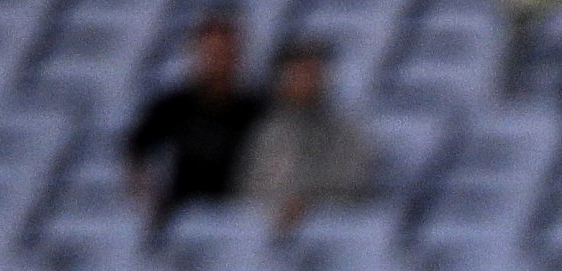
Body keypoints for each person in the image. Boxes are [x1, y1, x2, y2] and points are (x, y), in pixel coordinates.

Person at [123, 9, 259, 220]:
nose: (218, 61)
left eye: (225, 53)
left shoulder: (255, 108)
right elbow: (136, 151)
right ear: (198, 55)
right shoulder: (174, 106)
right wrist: (149, 193)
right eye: (211, 53)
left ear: (237, 56)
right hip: (183, 213)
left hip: (240, 214)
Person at [240, 35, 376, 228]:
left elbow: (354, 186)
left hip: (330, 226)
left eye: (313, 73)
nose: (307, 81)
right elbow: (250, 187)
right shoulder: (266, 132)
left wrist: (309, 203)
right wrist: (279, 206)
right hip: (270, 225)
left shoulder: (347, 133)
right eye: (299, 73)